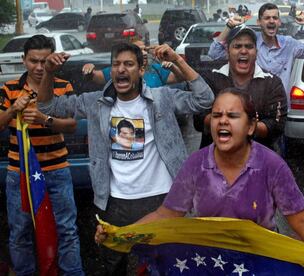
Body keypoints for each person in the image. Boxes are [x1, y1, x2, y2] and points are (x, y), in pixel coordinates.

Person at [96, 88, 304, 273]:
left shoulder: (271, 165)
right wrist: (121, 234)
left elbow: (300, 218)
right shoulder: (196, 164)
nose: (222, 120)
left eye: (232, 115)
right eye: (216, 115)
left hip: (257, 262)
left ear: (250, 127)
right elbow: (165, 216)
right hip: (207, 262)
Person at [37, 43, 214, 275]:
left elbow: (205, 99)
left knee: (163, 265)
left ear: (141, 70)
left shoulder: (162, 98)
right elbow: (48, 105)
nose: (121, 69)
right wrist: (49, 71)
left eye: (129, 64)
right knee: (114, 266)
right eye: (116, 64)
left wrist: (178, 60)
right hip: (114, 202)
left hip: (161, 200)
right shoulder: (95, 102)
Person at [0, 35, 84, 275]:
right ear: (23, 60)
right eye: (33, 61)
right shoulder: (9, 89)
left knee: (66, 229)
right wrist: (13, 110)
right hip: (20, 172)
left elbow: (72, 125)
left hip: (57, 169)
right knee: (20, 232)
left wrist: (44, 119)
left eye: (44, 61)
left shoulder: (62, 85)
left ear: (52, 61)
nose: (38, 67)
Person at [194, 25, 287, 151]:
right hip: (214, 158)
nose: (243, 51)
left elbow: (277, 126)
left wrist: (238, 125)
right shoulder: (211, 79)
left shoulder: (272, 83)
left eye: (249, 46)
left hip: (259, 159)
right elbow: (198, 119)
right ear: (227, 51)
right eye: (237, 46)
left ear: (256, 51)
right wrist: (241, 123)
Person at [208, 3, 304, 95]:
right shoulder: (250, 42)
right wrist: (229, 26)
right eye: (267, 18)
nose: (271, 21)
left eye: (275, 18)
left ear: (279, 22)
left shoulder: (289, 44)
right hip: (251, 105)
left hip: (279, 108)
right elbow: (214, 53)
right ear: (259, 22)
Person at [82, 40, 185, 88]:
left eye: (145, 50)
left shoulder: (156, 69)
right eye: (139, 51)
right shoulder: (118, 71)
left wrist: (174, 62)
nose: (144, 53)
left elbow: (181, 77)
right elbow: (93, 77)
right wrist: (88, 70)